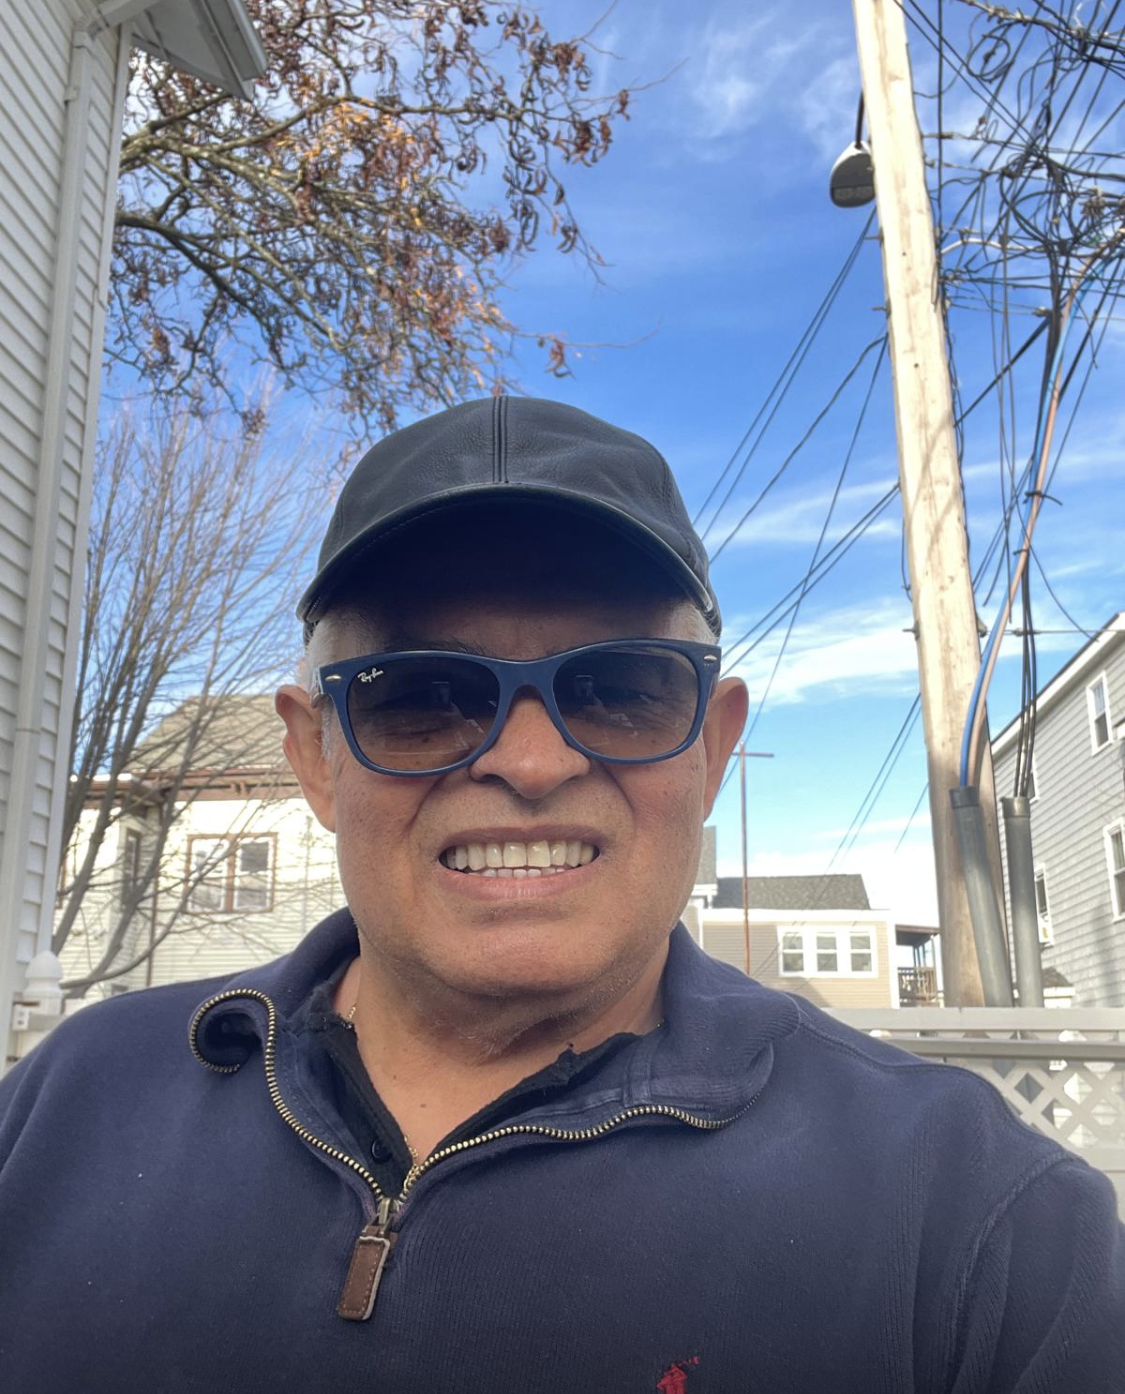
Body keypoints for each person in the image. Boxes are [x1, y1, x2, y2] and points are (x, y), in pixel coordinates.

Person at [0, 397, 1122, 1393]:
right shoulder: (63, 1110)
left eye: (619, 688)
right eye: (422, 695)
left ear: (711, 748)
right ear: (315, 757)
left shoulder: (983, 1223)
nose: (530, 763)